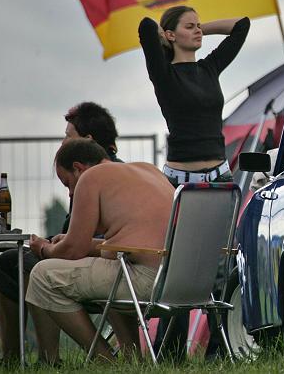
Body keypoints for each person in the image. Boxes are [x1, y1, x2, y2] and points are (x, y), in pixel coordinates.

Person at [138, 5, 249, 358]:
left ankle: (220, 347)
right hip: (177, 183)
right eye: (190, 26)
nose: (199, 31)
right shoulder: (164, 74)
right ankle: (170, 350)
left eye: (200, 25)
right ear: (170, 35)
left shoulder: (209, 68)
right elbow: (144, 27)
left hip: (219, 177)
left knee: (221, 262)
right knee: (179, 265)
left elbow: (242, 27)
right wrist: (165, 36)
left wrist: (201, 27)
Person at [0, 101, 121, 363]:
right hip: (99, 262)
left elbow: (87, 244)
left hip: (102, 268)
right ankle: (13, 358)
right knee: (6, 263)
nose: (62, 143)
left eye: (67, 136)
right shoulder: (101, 171)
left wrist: (47, 248)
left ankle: (49, 358)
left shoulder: (98, 177)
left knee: (31, 266)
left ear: (86, 140)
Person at [24, 139, 173, 363]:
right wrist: (77, 240)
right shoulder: (148, 170)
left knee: (42, 276)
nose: (71, 193)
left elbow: (74, 250)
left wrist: (44, 248)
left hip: (145, 283)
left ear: (78, 168)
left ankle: (105, 360)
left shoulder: (92, 177)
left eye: (68, 184)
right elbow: (127, 246)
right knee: (110, 271)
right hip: (180, 284)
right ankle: (134, 360)